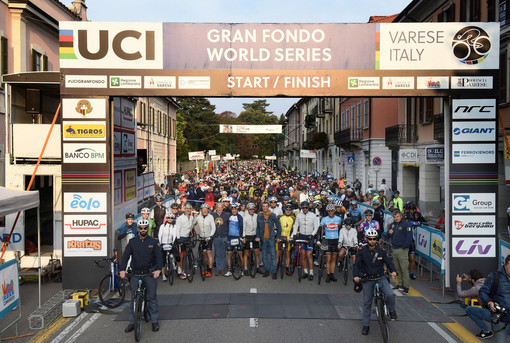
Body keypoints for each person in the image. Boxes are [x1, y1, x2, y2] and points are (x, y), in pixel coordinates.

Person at [120, 219, 163, 333]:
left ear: (147, 229)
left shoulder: (153, 242)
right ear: (138, 229)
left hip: (149, 273)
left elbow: (159, 257)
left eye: (145, 228)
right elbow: (125, 256)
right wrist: (122, 270)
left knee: (152, 298)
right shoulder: (133, 242)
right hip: (136, 273)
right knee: (134, 299)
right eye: (141, 228)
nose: (143, 230)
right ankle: (132, 322)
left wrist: (158, 269)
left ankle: (154, 321)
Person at [353, 228, 397, 336]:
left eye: (374, 239)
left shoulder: (381, 251)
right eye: (370, 239)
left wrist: (393, 271)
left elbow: (389, 262)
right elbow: (356, 265)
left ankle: (392, 311)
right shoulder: (361, 252)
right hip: (367, 279)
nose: (372, 241)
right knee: (367, 303)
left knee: (390, 295)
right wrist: (356, 276)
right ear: (366, 239)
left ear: (376, 239)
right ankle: (366, 325)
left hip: (380, 277)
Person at [479, 255, 510, 342]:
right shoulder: (495, 276)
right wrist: (489, 302)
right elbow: (483, 291)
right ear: (505, 265)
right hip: (501, 320)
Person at [456, 270, 492, 339]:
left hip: (491, 313)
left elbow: (460, 294)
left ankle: (486, 331)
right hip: (501, 311)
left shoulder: (476, 288)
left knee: (469, 309)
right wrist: (469, 279)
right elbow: (476, 284)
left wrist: (458, 283)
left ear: (473, 280)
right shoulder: (488, 281)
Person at [291, 201, 319, 281]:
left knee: (309, 255)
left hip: (310, 236)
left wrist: (312, 235)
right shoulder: (299, 215)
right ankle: (305, 272)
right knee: (302, 255)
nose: (305, 209)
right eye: (303, 208)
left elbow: (316, 227)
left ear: (308, 208)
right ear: (301, 208)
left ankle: (311, 273)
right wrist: (294, 235)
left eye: (306, 207)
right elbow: (296, 226)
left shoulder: (313, 215)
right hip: (302, 235)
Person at [387, 210, 413, 295]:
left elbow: (409, 238)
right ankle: (400, 284)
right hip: (394, 248)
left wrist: (404, 247)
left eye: (397, 216)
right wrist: (389, 232)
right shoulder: (393, 225)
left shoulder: (406, 225)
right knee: (397, 268)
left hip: (402, 249)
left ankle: (406, 286)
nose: (396, 218)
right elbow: (387, 235)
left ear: (401, 216)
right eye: (394, 217)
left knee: (404, 268)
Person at [256, 202, 282, 279]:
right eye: (263, 206)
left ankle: (274, 272)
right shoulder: (259, 216)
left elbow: (279, 226)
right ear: (262, 207)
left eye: (266, 206)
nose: (265, 208)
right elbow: (258, 227)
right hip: (263, 238)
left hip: (271, 238)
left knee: (273, 256)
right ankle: (267, 270)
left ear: (268, 207)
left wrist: (278, 236)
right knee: (264, 256)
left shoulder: (273, 215)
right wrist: (258, 236)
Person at [319, 204, 342, 282]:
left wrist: (341, 241)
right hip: (328, 240)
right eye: (329, 211)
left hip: (335, 240)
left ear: (334, 210)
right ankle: (328, 275)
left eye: (332, 210)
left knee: (334, 258)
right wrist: (319, 240)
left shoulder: (338, 219)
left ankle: (332, 274)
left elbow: (341, 230)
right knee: (328, 259)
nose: (330, 212)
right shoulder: (324, 219)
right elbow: (320, 230)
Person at [175, 203, 196, 279]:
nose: (188, 210)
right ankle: (181, 271)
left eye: (189, 208)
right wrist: (178, 239)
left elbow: (194, 223)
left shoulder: (192, 218)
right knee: (182, 256)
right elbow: (177, 229)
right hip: (181, 238)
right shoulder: (180, 218)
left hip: (187, 238)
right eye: (186, 208)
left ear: (191, 210)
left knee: (188, 254)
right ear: (184, 209)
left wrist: (191, 231)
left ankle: (187, 269)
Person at [195, 204, 215, 278]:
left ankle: (210, 270)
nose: (205, 211)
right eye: (203, 209)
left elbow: (213, 227)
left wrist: (210, 236)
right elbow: (193, 223)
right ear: (201, 210)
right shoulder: (198, 217)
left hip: (208, 237)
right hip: (202, 237)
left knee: (209, 252)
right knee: (204, 253)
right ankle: (206, 267)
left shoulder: (210, 217)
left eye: (206, 209)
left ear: (208, 210)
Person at [158, 213, 178, 282]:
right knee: (163, 260)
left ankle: (174, 263)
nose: (170, 219)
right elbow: (160, 235)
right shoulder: (162, 226)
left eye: (171, 218)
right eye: (168, 217)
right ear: (166, 218)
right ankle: (163, 275)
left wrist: (173, 243)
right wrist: (160, 243)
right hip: (163, 243)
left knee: (176, 254)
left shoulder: (174, 226)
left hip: (170, 243)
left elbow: (175, 234)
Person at [242, 202, 261, 275]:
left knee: (257, 253)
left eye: (253, 209)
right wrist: (244, 237)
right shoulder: (245, 217)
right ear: (248, 209)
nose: (251, 210)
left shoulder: (257, 216)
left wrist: (258, 236)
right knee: (246, 253)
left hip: (255, 235)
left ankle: (257, 267)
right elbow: (243, 228)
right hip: (247, 235)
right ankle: (246, 268)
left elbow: (259, 227)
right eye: (250, 209)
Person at [225, 203, 244, 277]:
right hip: (230, 237)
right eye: (233, 209)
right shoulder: (229, 216)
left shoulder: (239, 217)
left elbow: (241, 228)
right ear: (231, 210)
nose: (234, 210)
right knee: (229, 254)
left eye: (235, 209)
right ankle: (229, 270)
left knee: (240, 254)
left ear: (237, 210)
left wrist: (241, 237)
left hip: (237, 237)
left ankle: (241, 269)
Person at [212, 202, 230, 276]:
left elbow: (229, 226)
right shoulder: (212, 215)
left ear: (223, 208)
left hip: (224, 236)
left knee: (223, 253)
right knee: (217, 253)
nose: (219, 209)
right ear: (216, 208)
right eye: (218, 207)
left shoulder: (226, 215)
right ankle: (218, 268)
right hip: (216, 236)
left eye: (221, 207)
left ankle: (222, 268)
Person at [278, 204, 294, 276]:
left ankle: (287, 268)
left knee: (287, 254)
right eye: (287, 209)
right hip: (280, 237)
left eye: (289, 210)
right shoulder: (280, 217)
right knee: (278, 253)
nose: (288, 211)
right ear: (285, 210)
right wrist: (276, 236)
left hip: (288, 238)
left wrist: (293, 237)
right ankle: (276, 268)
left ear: (291, 211)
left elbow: (296, 229)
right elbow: (275, 227)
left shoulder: (293, 218)